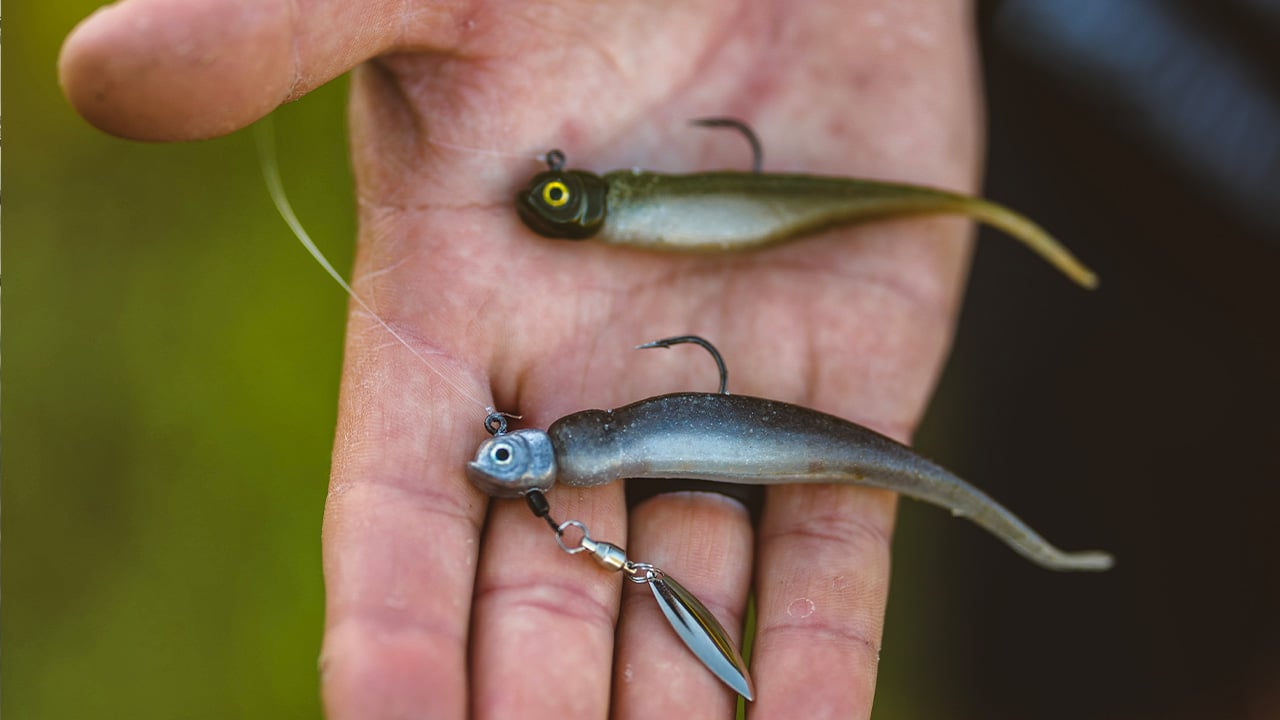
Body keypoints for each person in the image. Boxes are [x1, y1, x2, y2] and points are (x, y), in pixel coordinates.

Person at [60, 1, 980, 716]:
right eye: (500, 461)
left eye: (500, 455)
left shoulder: (568, 450)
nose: (492, 458)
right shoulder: (572, 457)